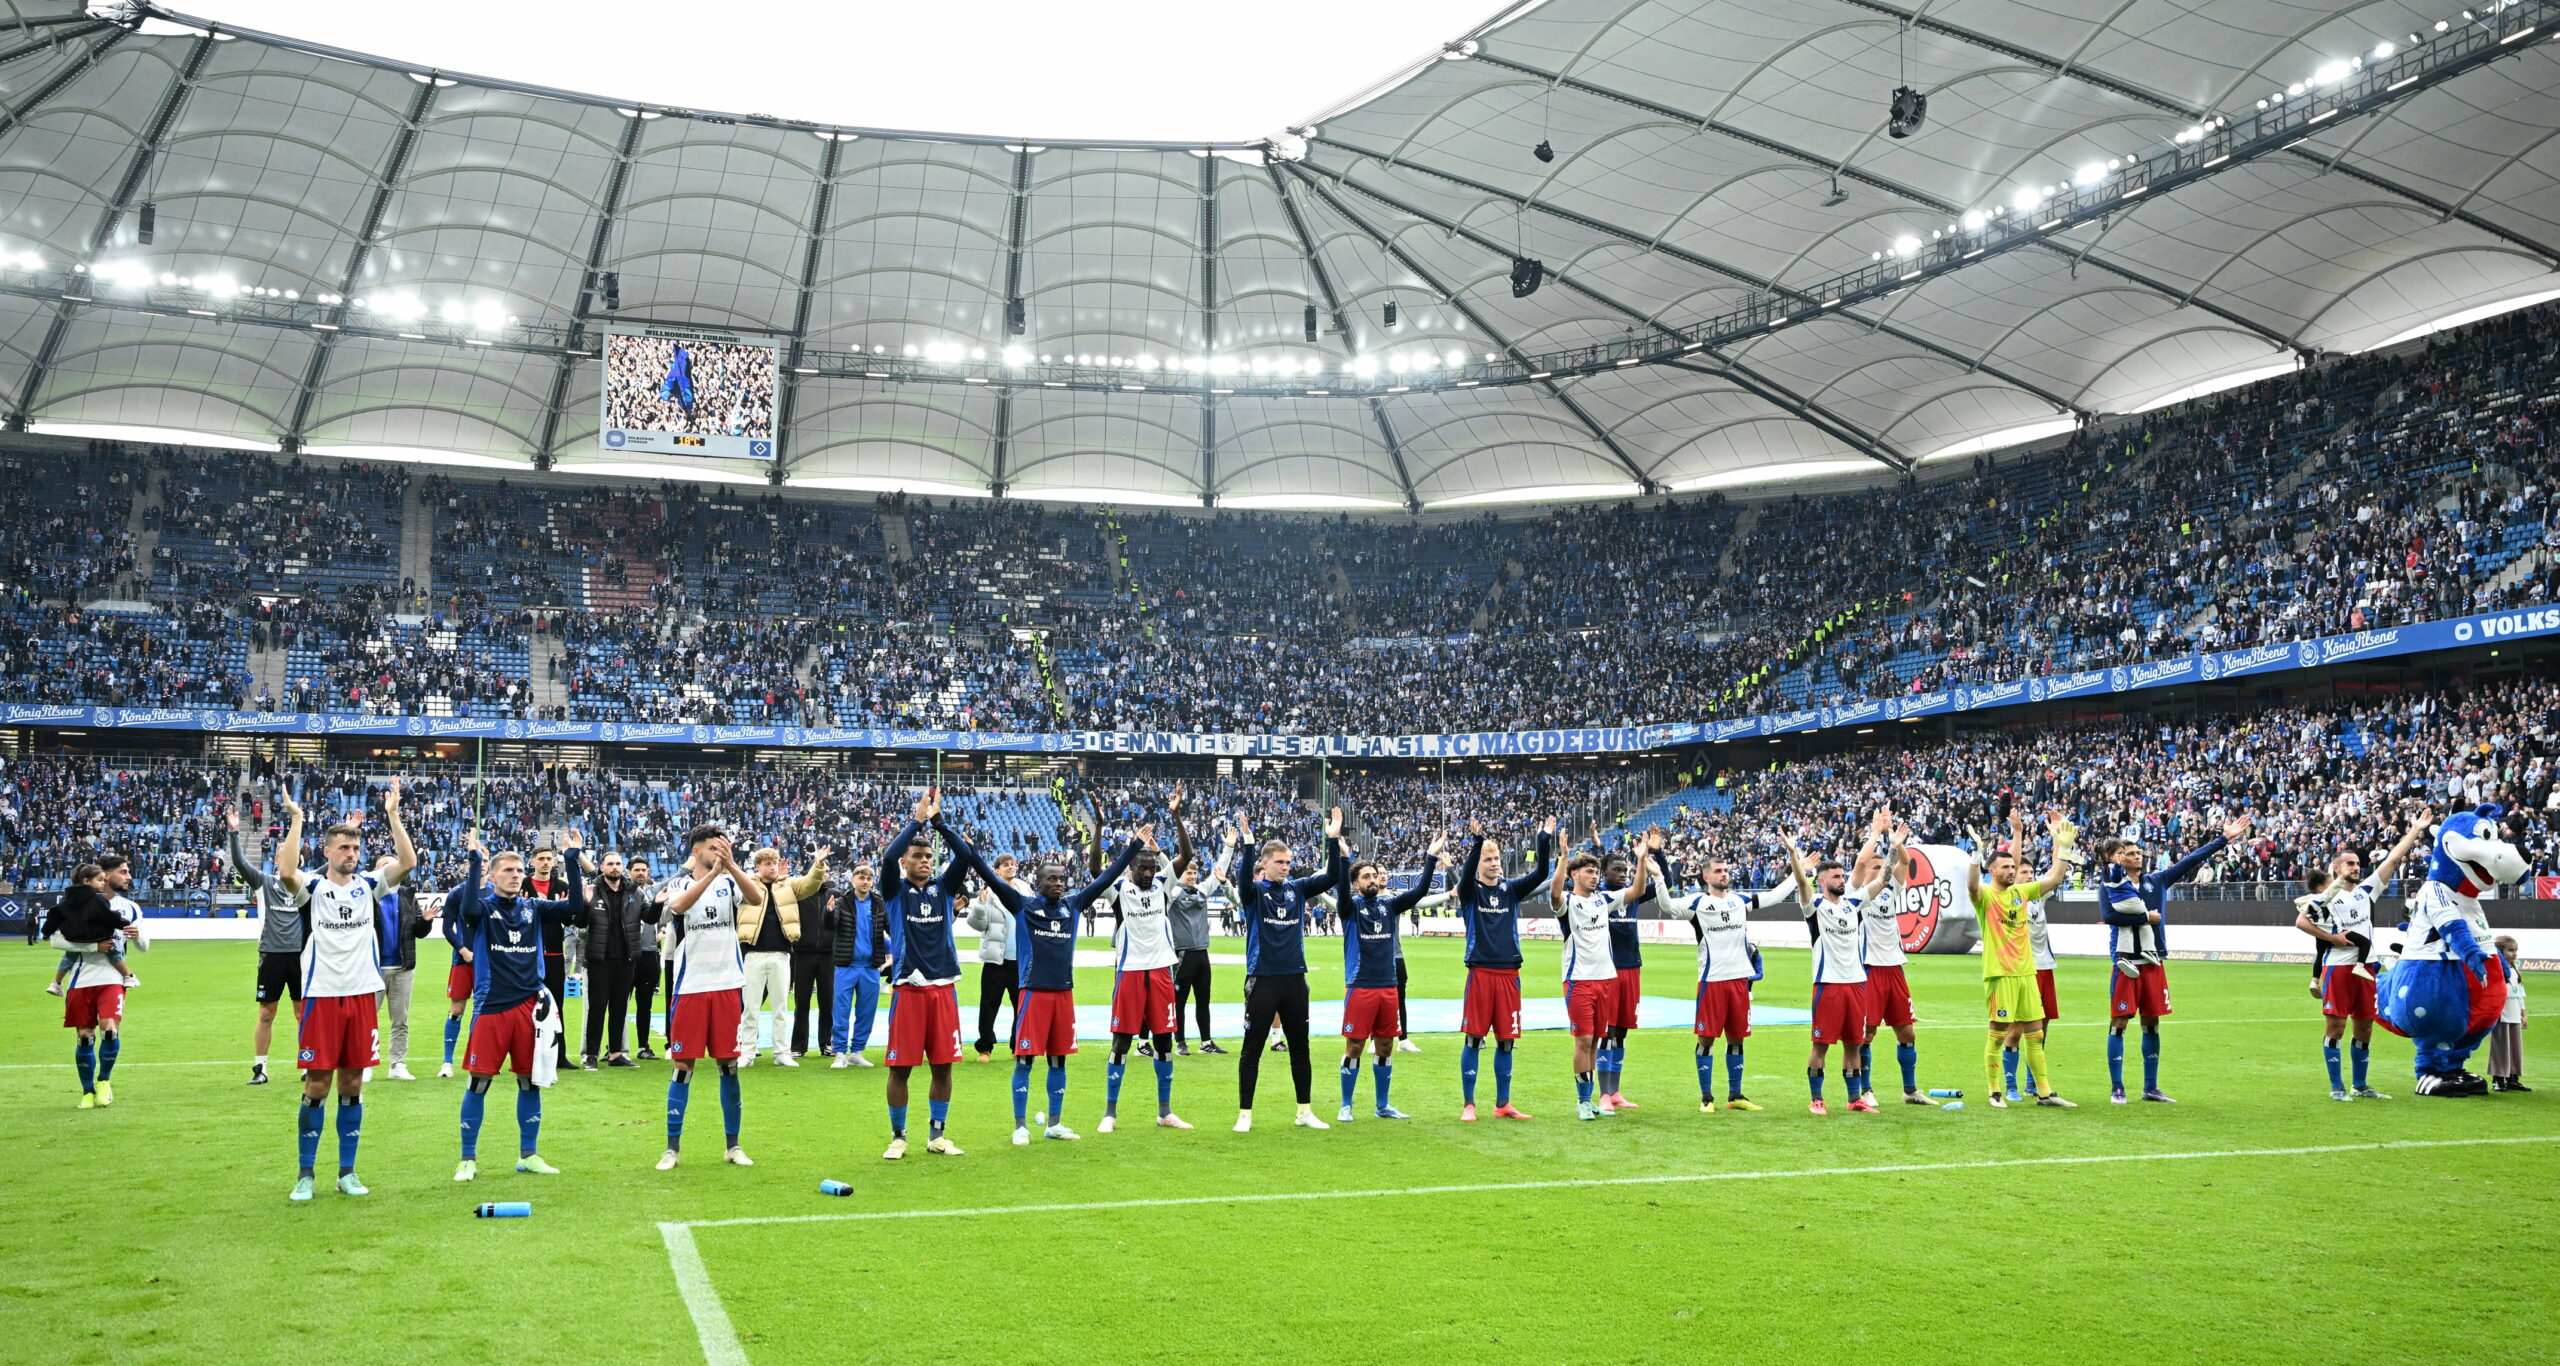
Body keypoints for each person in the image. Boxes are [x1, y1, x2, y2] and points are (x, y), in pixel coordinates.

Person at [272, 777, 417, 1201]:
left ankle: (347, 1173)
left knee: (352, 1084)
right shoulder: (313, 889)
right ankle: (305, 1175)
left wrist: (393, 815)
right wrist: (297, 819)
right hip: (322, 994)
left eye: (356, 849)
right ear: (328, 852)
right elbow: (285, 871)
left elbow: (406, 862)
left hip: (361, 995)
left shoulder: (369, 885)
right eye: (344, 849)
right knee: (317, 1085)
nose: (352, 855)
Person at [982, 825, 1146, 1145]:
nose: (1059, 883)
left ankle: (1054, 1124)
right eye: (1051, 878)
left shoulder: (1073, 905)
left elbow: (1106, 877)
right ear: (1038, 883)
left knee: (1059, 1059)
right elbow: (984, 871)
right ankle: (1020, 1126)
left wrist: (1135, 845)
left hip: (1064, 994)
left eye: (1061, 878)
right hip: (1033, 994)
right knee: (1026, 1061)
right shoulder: (1023, 906)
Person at [447, 830, 586, 1181]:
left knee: (530, 1081)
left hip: (529, 1007)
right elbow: (465, 907)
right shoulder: (481, 909)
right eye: (507, 870)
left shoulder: (533, 908)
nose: (515, 874)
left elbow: (575, 908)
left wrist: (571, 858)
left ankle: (529, 1155)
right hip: (491, 1007)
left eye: (518, 870)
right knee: (479, 1082)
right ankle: (468, 1159)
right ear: (492, 877)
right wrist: (476, 859)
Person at [2095, 812, 2249, 1103]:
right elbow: (2108, 916)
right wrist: (2146, 917)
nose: (2137, 856)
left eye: (2139, 852)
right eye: (2130, 853)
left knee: (2152, 1022)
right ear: (2119, 859)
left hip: (2154, 961)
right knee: (2119, 1022)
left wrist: (2223, 839)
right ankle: (2117, 1087)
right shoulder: (2111, 885)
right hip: (2126, 963)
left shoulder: (2157, 881)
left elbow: (2190, 860)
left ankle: (2150, 1087)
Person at [1227, 806, 1347, 1132]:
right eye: (1279, 862)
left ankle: (1304, 1111)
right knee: (1252, 1049)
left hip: (1295, 979)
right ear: (1264, 864)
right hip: (1262, 979)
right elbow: (1240, 883)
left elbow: (1333, 877)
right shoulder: (1254, 893)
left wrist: (1333, 839)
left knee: (1300, 1048)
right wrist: (1249, 840)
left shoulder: (1298, 888)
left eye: (1288, 862)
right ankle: (1245, 1114)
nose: (1285, 867)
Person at [2295, 810, 2427, 1100]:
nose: (2356, 867)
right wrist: (2331, 938)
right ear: (2336, 868)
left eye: (2357, 863)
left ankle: (2360, 1085)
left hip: (2366, 967)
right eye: (2350, 863)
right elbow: (2301, 922)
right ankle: (2337, 1087)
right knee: (2337, 1026)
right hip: (2338, 967)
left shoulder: (2366, 890)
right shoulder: (2326, 897)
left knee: (2365, 1027)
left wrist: (2415, 829)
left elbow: (2392, 859)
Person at [657, 824, 766, 1170]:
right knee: (682, 1066)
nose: (719, 853)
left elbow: (757, 898)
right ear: (696, 852)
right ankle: (672, 1148)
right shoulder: (682, 881)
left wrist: (730, 867)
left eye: (723, 847)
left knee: (728, 1065)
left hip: (727, 985)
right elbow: (678, 906)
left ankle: (733, 1146)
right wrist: (714, 872)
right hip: (690, 986)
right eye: (713, 848)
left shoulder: (730, 880)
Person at [1099, 788, 1207, 1133]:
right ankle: (1110, 1113)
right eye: (1142, 868)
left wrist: (1176, 815)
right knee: (1122, 1042)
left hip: (1161, 970)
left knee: (1163, 1040)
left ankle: (1165, 1112)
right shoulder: (1119, 890)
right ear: (1131, 867)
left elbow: (1186, 854)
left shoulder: (1162, 885)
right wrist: (1100, 826)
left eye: (1150, 867)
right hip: (1130, 971)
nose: (1148, 872)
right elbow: (1093, 870)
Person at [1653, 846, 1788, 1112]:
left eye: (1726, 870)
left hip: (1739, 981)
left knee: (1737, 1039)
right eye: (1718, 871)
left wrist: (1799, 871)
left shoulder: (1739, 900)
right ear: (1706, 877)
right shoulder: (1697, 903)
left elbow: (1773, 897)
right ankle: (1707, 1098)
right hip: (1712, 981)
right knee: (1706, 1039)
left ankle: (1735, 1095)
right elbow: (1667, 905)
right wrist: (1659, 877)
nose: (1724, 874)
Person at [878, 789, 973, 1159]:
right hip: (909, 989)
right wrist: (917, 820)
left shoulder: (944, 888)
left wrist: (939, 823)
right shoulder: (894, 890)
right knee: (900, 1068)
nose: (925, 861)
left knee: (943, 1067)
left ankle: (936, 1136)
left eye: (929, 856)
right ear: (905, 862)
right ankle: (898, 1136)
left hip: (943, 988)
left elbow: (965, 855)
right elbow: (887, 855)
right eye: (917, 856)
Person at [1781, 813, 1897, 1115]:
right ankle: (1817, 1099)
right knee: (1821, 1045)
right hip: (1828, 985)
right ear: (1822, 881)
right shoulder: (1814, 906)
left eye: (1843, 876)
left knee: (1853, 1045)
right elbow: (1801, 885)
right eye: (1835, 877)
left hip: (1856, 984)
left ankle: (1854, 1098)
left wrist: (1890, 843)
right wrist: (1794, 855)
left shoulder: (1854, 904)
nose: (1842, 880)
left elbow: (1884, 879)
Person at [1968, 805, 2074, 1110]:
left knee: (2035, 1034)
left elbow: (2054, 877)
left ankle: (2044, 1092)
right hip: (2000, 974)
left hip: (2027, 973)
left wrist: (2064, 847)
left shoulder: (2021, 892)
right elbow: (1972, 887)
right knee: (1999, 1034)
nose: (2011, 871)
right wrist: (1976, 856)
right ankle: (1994, 1091)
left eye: (2012, 868)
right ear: (1992, 871)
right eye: (2005, 868)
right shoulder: (1986, 895)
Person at [1335, 832, 1445, 1123]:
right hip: (1360, 987)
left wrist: (1431, 857)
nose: (1372, 879)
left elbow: (1420, 891)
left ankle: (1382, 1105)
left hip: (1388, 986)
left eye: (1374, 875)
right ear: (1355, 883)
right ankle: (1346, 1105)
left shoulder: (1390, 905)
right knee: (1355, 1046)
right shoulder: (1350, 909)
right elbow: (1341, 890)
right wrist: (1343, 856)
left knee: (1385, 1046)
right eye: (1366, 876)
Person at [1549, 829, 1655, 1121]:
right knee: (1583, 1040)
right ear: (1575, 875)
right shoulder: (1568, 904)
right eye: (1589, 871)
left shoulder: (1603, 901)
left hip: (1606, 979)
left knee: (1596, 1040)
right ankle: (1583, 1101)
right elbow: (1555, 893)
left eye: (1596, 871)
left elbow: (1637, 892)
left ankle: (1593, 1098)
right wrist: (1563, 858)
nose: (1595, 876)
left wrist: (1643, 860)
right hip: (1579, 980)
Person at [1453, 815, 1554, 1122]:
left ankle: (1503, 1104)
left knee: (1506, 1040)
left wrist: (1543, 839)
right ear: (1479, 863)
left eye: (1496, 858)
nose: (1495, 863)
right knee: (1473, 1038)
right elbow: (1466, 875)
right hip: (1481, 973)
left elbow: (1541, 872)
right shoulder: (1469, 892)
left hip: (1510, 974)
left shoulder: (1510, 890)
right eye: (1488, 859)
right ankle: (1469, 1104)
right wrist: (1475, 844)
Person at [231, 800, 307, 1087]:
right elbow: (239, 863)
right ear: (278, 859)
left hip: (301, 957)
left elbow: (333, 866)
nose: (291, 857)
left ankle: (307, 1064)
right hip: (272, 955)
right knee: (266, 1013)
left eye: (295, 853)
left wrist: (349, 830)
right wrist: (234, 832)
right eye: (285, 853)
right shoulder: (264, 882)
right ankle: (260, 1068)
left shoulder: (308, 883)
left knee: (303, 1013)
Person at [47, 864, 133, 1110]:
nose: (105, 883)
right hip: (81, 979)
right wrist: (93, 948)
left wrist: (139, 936)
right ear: (88, 882)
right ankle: (87, 1091)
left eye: (106, 879)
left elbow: (143, 944)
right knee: (85, 1038)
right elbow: (55, 941)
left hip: (112, 979)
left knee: (109, 1030)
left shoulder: (125, 908)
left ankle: (104, 1081)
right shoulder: (71, 909)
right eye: (101, 879)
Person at [1861, 817, 1931, 1106]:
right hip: (1869, 970)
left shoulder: (1891, 892)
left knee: (1907, 1031)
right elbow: (1872, 866)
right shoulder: (1857, 896)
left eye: (1882, 867)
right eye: (1876, 868)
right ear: (1865, 872)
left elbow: (1904, 865)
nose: (1883, 871)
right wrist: (1879, 836)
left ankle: (1910, 1090)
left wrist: (1897, 843)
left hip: (1895, 969)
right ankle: (1865, 1090)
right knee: (1867, 1033)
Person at [740, 845, 828, 1066]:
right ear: (757, 866)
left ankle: (782, 1053)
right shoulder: (746, 885)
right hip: (753, 953)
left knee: (780, 1007)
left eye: (775, 862)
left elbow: (810, 884)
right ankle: (747, 1052)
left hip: (781, 953)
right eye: (767, 863)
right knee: (750, 1007)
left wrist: (818, 864)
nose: (772, 867)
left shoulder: (788, 885)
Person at [1592, 827, 1651, 1108]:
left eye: (1625, 870)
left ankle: (1615, 1092)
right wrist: (1596, 846)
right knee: (1606, 1031)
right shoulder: (1598, 898)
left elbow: (1662, 881)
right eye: (1617, 870)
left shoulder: (1634, 895)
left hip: (1632, 968)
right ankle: (1603, 1093)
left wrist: (1651, 856)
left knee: (1622, 1032)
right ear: (1605, 874)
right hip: (1608, 970)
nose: (1622, 874)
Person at [579, 850, 648, 1068]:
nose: (615, 867)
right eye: (610, 864)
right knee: (597, 1008)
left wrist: (657, 904)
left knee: (620, 1008)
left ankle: (616, 1054)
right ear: (602, 867)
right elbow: (580, 923)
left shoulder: (634, 891)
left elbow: (649, 916)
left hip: (626, 959)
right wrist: (586, 904)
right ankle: (591, 1054)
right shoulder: (593, 890)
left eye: (618, 863)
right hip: (600, 959)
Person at [964, 852, 1025, 1063]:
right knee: (989, 1005)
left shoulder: (1025, 889)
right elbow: (976, 925)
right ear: (996, 870)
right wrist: (980, 906)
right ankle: (985, 1048)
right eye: (1005, 865)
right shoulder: (988, 893)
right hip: (995, 960)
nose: (1010, 867)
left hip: (1020, 959)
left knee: (1021, 1005)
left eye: (1013, 864)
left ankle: (1018, 1045)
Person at [378, 858, 435, 1081]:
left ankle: (397, 1064)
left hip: (402, 968)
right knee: (365, 1022)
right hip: (372, 969)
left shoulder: (408, 896)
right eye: (384, 864)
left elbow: (418, 932)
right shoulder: (369, 894)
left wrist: (426, 921)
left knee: (400, 1020)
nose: (389, 868)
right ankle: (363, 1063)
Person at [45, 856, 135, 995]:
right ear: (87, 881)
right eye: (100, 880)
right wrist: (124, 923)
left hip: (74, 937)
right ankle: (128, 976)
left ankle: (56, 983)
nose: (102, 884)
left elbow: (53, 916)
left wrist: (46, 931)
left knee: (68, 958)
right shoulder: (98, 898)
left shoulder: (65, 900)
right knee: (114, 953)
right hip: (97, 936)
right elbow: (109, 916)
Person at [1168, 842, 1224, 1055]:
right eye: (1188, 873)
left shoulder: (1202, 890)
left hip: (1202, 953)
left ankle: (1206, 1042)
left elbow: (1218, 873)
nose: (1192, 876)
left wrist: (1227, 847)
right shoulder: (1172, 893)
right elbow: (1168, 871)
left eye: (1194, 873)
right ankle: (1180, 1042)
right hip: (1182, 954)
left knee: (1204, 1000)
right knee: (1179, 1001)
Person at [829, 864, 888, 1067]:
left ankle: (857, 1051)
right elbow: (830, 925)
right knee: (841, 1010)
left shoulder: (879, 903)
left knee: (866, 1011)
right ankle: (839, 1052)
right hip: (846, 965)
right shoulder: (841, 902)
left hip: (870, 967)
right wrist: (828, 912)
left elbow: (892, 927)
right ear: (853, 879)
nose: (865, 882)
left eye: (869, 879)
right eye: (861, 878)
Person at [524, 847, 573, 1071]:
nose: (545, 863)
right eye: (541, 859)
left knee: (556, 1008)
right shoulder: (522, 885)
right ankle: (525, 1056)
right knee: (526, 1007)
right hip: (526, 955)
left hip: (554, 954)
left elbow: (572, 918)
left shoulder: (562, 887)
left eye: (548, 859)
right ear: (532, 861)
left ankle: (559, 1056)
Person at [788, 862, 839, 1064]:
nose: (823, 875)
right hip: (803, 954)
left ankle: (826, 1043)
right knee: (802, 1003)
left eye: (826, 872)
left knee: (828, 1002)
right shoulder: (800, 894)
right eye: (820, 871)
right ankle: (798, 1046)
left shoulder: (837, 894)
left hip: (828, 955)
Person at [630, 858, 662, 1060]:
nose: (640, 873)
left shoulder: (654, 892)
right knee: (618, 1004)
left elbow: (680, 874)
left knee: (645, 1004)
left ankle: (643, 1046)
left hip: (649, 954)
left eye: (644, 870)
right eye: (636, 870)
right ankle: (616, 1047)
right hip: (626, 955)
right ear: (629, 872)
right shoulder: (620, 891)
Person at [2489, 934, 2529, 1092]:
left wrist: (2523, 1014)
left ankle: (2513, 1078)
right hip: (2501, 1016)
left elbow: (2520, 994)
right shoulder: (2495, 970)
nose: (2514, 953)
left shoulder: (2514, 971)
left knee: (2515, 1048)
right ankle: (2498, 1079)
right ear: (2500, 952)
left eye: (2516, 950)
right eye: (2510, 950)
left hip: (2514, 1016)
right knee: (2500, 1049)